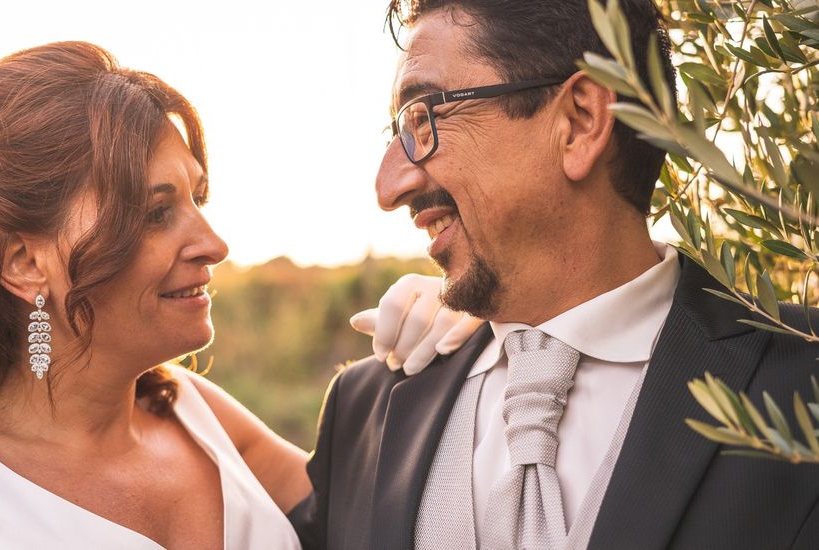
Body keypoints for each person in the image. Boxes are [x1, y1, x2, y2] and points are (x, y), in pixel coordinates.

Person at [0, 41, 472, 549]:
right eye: (156, 212)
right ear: (24, 262)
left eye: (198, 200)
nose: (213, 244)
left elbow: (391, 512)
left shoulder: (195, 413)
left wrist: (455, 320)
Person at [287, 1, 819, 549]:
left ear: (580, 121)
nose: (388, 186)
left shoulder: (806, 382)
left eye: (424, 117)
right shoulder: (363, 409)